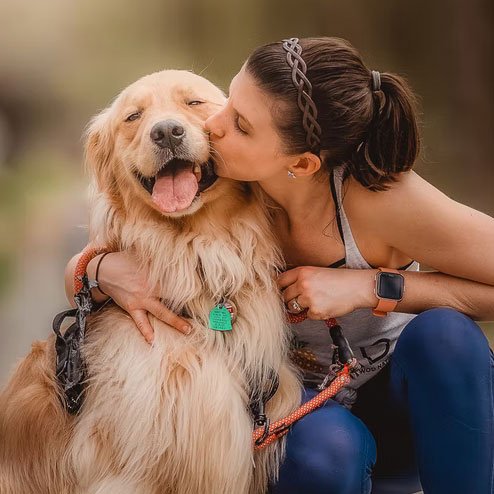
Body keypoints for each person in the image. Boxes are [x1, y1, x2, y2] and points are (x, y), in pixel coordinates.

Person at [65, 37, 494, 494]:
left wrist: (373, 287)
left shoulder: (378, 197)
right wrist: (96, 270)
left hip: (402, 405)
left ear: (303, 163)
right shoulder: (218, 197)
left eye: (240, 125)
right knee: (328, 450)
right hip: (295, 420)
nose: (213, 124)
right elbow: (108, 245)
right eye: (228, 101)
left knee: (447, 336)